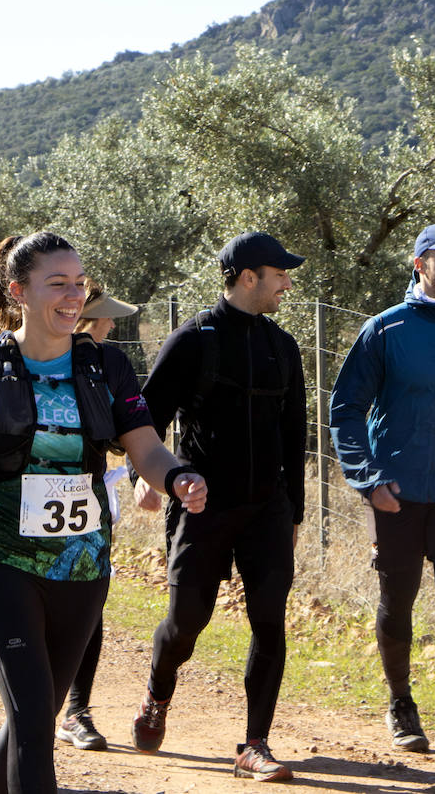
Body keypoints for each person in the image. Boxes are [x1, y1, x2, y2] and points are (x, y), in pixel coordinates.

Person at [0, 232, 208, 794]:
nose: (73, 296)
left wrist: (177, 477)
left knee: (38, 715)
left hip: (81, 564)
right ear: (19, 290)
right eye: (58, 284)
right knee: (31, 717)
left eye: (79, 284)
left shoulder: (106, 366)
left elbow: (144, 447)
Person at [131, 230, 307, 783]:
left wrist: (295, 512)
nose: (286, 282)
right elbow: (145, 417)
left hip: (267, 507)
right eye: (278, 273)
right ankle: (159, 690)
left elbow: (295, 435)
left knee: (269, 621)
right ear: (247, 277)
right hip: (201, 503)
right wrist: (154, 478)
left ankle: (255, 744)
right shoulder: (193, 340)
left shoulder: (284, 346)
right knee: (187, 621)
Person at [329, 222, 435, 767]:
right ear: (419, 265)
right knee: (397, 602)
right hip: (397, 492)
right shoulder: (385, 330)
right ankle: (401, 704)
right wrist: (368, 477)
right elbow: (346, 410)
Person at [55, 279, 163, 752]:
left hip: (88, 508)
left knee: (88, 610)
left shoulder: (110, 366)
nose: (112, 325)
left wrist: (150, 474)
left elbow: (132, 435)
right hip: (20, 516)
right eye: (105, 318)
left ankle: (76, 710)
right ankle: (38, 706)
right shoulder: (25, 360)